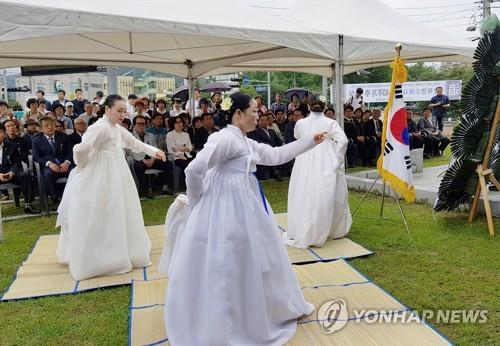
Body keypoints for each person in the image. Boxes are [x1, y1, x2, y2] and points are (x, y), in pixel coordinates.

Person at [163, 92, 326, 345]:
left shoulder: (245, 140)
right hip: (226, 205)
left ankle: (254, 310)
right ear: (238, 113)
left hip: (244, 203)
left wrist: (311, 142)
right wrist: (197, 199)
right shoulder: (225, 138)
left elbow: (275, 155)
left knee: (253, 254)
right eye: (254, 110)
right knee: (228, 256)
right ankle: (229, 318)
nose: (258, 114)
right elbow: (194, 169)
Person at [55, 95, 167, 281]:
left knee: (120, 210)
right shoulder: (99, 127)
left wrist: (154, 151)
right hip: (99, 175)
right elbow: (81, 150)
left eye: (124, 111)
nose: (123, 114)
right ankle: (99, 257)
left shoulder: (116, 128)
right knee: (100, 212)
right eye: (119, 110)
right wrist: (82, 167)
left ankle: (122, 251)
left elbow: (133, 143)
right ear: (107, 109)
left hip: (117, 174)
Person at [285, 95, 351, 248]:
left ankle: (304, 224)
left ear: (308, 106)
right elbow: (343, 141)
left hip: (304, 156)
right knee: (327, 191)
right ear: (324, 106)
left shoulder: (300, 123)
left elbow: (297, 137)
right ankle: (330, 228)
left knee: (304, 190)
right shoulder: (330, 122)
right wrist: (337, 159)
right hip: (326, 158)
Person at [32, 116, 74, 204]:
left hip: (64, 164)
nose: (50, 127)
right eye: (46, 126)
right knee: (47, 175)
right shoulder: (36, 140)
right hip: (50, 166)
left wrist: (67, 162)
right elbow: (36, 156)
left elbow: (71, 152)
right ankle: (55, 199)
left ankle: (74, 196)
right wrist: (49, 163)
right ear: (41, 129)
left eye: (51, 125)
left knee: (75, 172)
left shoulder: (64, 136)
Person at [0, 123, 39, 214]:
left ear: (4, 133)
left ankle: (27, 204)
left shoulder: (10, 146)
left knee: (26, 176)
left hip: (9, 172)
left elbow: (17, 162)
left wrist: (11, 172)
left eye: (0, 132)